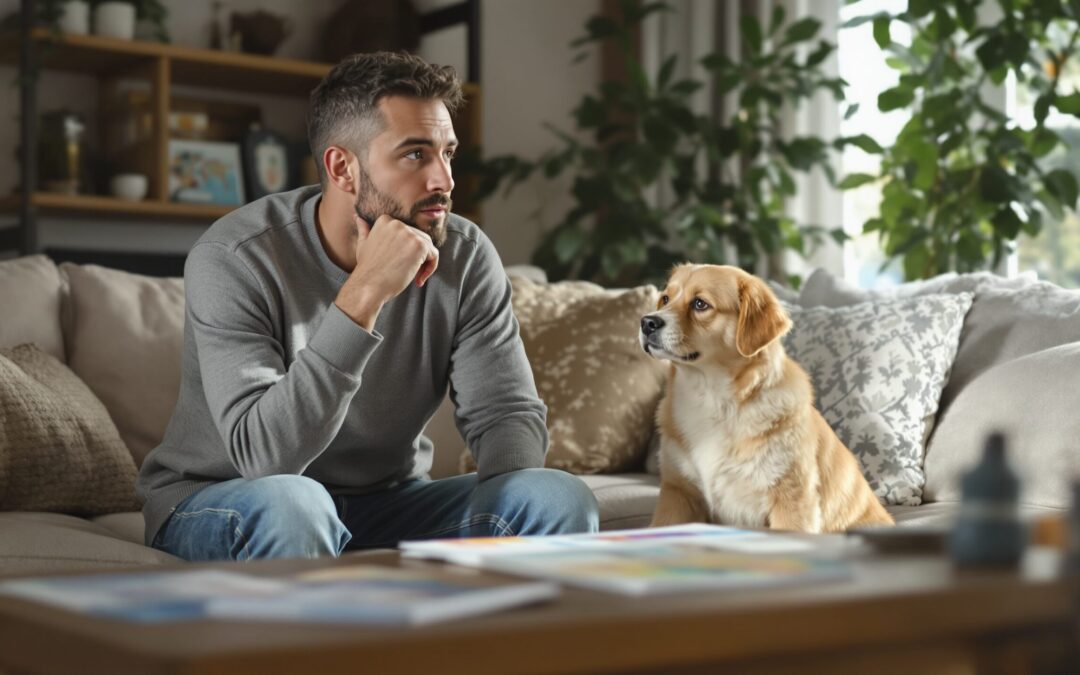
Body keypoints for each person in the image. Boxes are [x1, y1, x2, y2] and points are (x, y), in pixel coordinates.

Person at [136, 52, 599, 561]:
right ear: (342, 168)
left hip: (389, 501)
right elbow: (264, 457)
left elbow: (504, 415)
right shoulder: (234, 258)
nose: (443, 180)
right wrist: (363, 295)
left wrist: (514, 513)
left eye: (448, 153)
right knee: (297, 503)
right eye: (415, 155)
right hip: (229, 498)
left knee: (555, 496)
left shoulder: (463, 255)